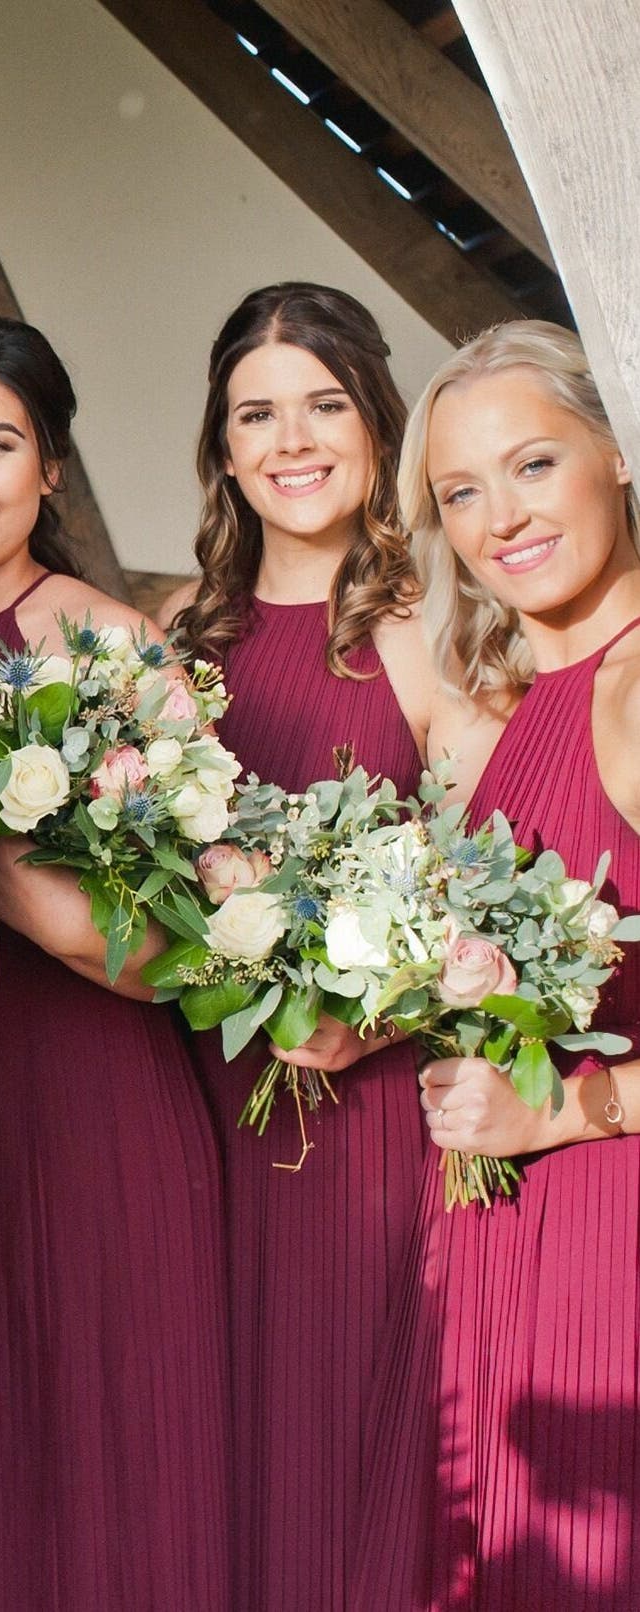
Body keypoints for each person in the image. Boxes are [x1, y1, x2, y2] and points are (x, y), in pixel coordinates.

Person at [0, 316, 232, 1611]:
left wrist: (27, 904)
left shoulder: (113, 645)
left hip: (82, 1112)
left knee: (87, 1457)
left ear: (50, 465)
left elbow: (203, 954)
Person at [155, 283, 499, 1612]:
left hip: (359, 1113)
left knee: (349, 1459)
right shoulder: (173, 635)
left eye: (322, 407)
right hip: (192, 1104)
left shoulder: (432, 623)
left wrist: (369, 1016)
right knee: (210, 1463)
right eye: (254, 415)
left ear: (375, 425)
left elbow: (486, 879)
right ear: (221, 445)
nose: (288, 442)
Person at [351, 321, 640, 1610]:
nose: (498, 519)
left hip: (607, 1254)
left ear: (616, 453)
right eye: (459, 491)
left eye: (531, 465)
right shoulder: (521, 704)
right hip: (505, 1261)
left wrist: (565, 1110)